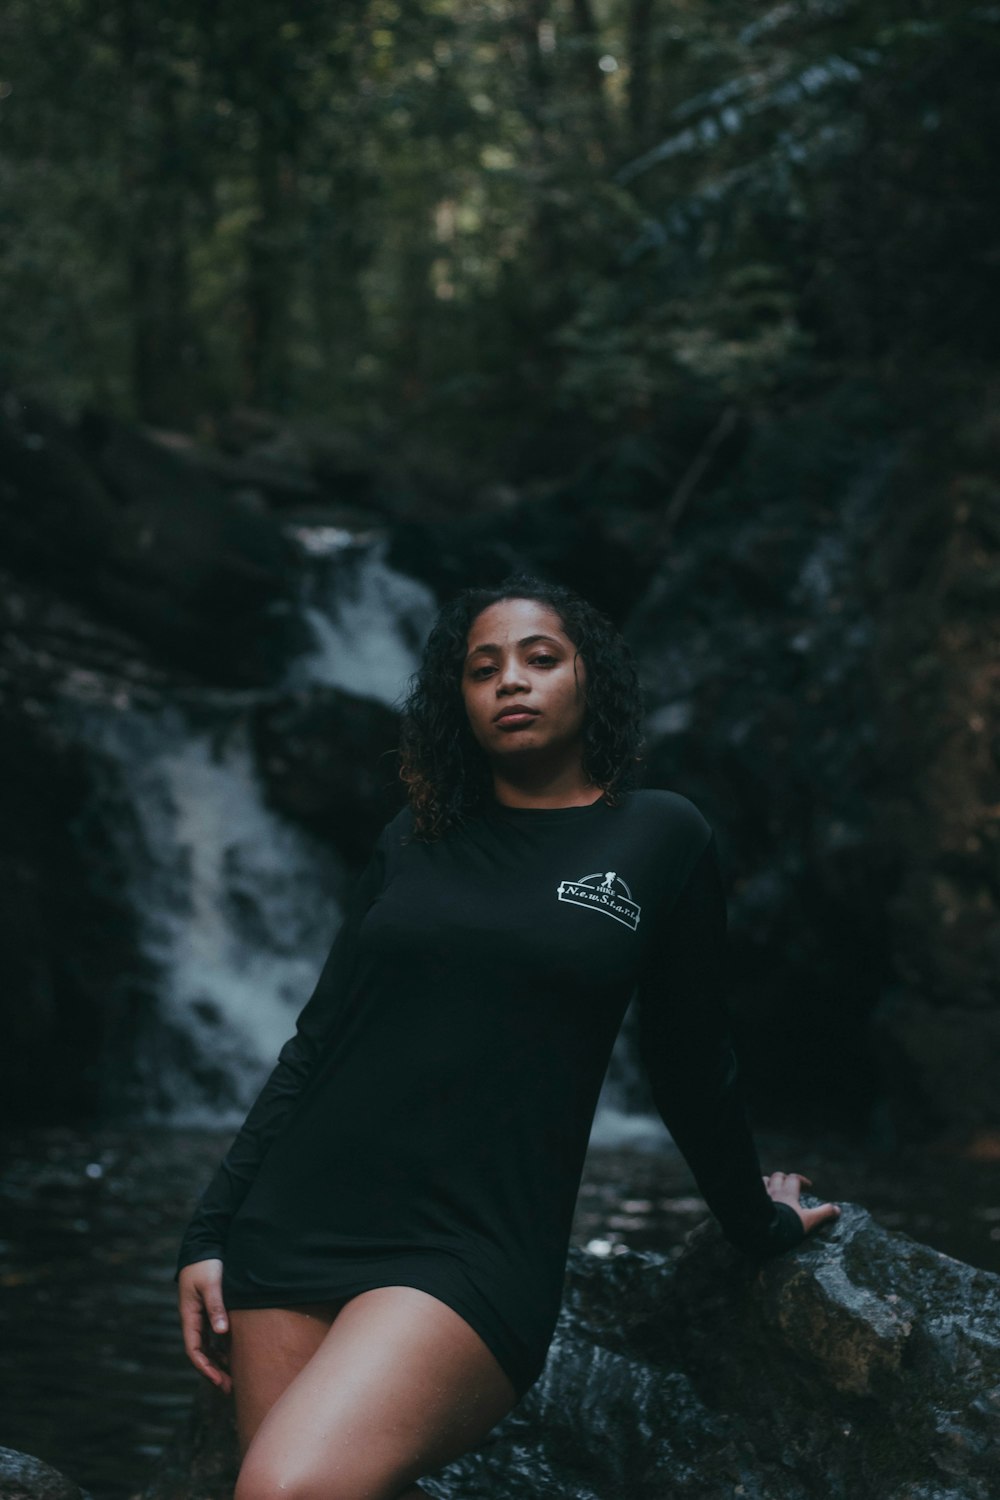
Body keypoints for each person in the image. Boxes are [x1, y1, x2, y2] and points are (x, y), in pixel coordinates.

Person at [175, 570, 841, 1500]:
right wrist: (208, 1232)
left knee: (283, 1490)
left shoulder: (660, 836)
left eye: (540, 658)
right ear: (460, 701)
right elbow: (318, 1044)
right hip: (294, 1223)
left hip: (472, 1246)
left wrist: (754, 1222)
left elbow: (691, 1059)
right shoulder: (413, 837)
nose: (511, 682)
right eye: (483, 668)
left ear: (588, 680)